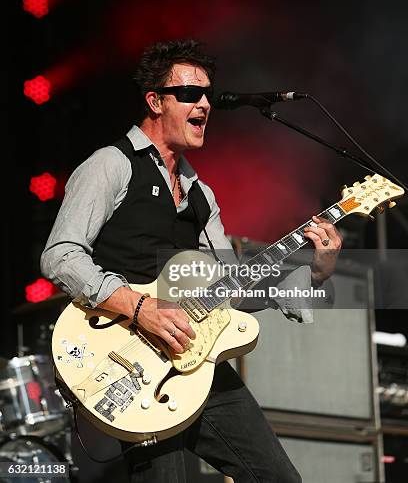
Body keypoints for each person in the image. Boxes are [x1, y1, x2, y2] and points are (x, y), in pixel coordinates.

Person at [41, 39, 342, 483]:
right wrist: (141, 307)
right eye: (189, 94)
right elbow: (60, 255)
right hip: (131, 359)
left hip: (196, 360)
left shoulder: (202, 195)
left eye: (207, 95)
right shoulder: (110, 165)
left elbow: (231, 290)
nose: (204, 104)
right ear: (155, 101)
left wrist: (316, 272)